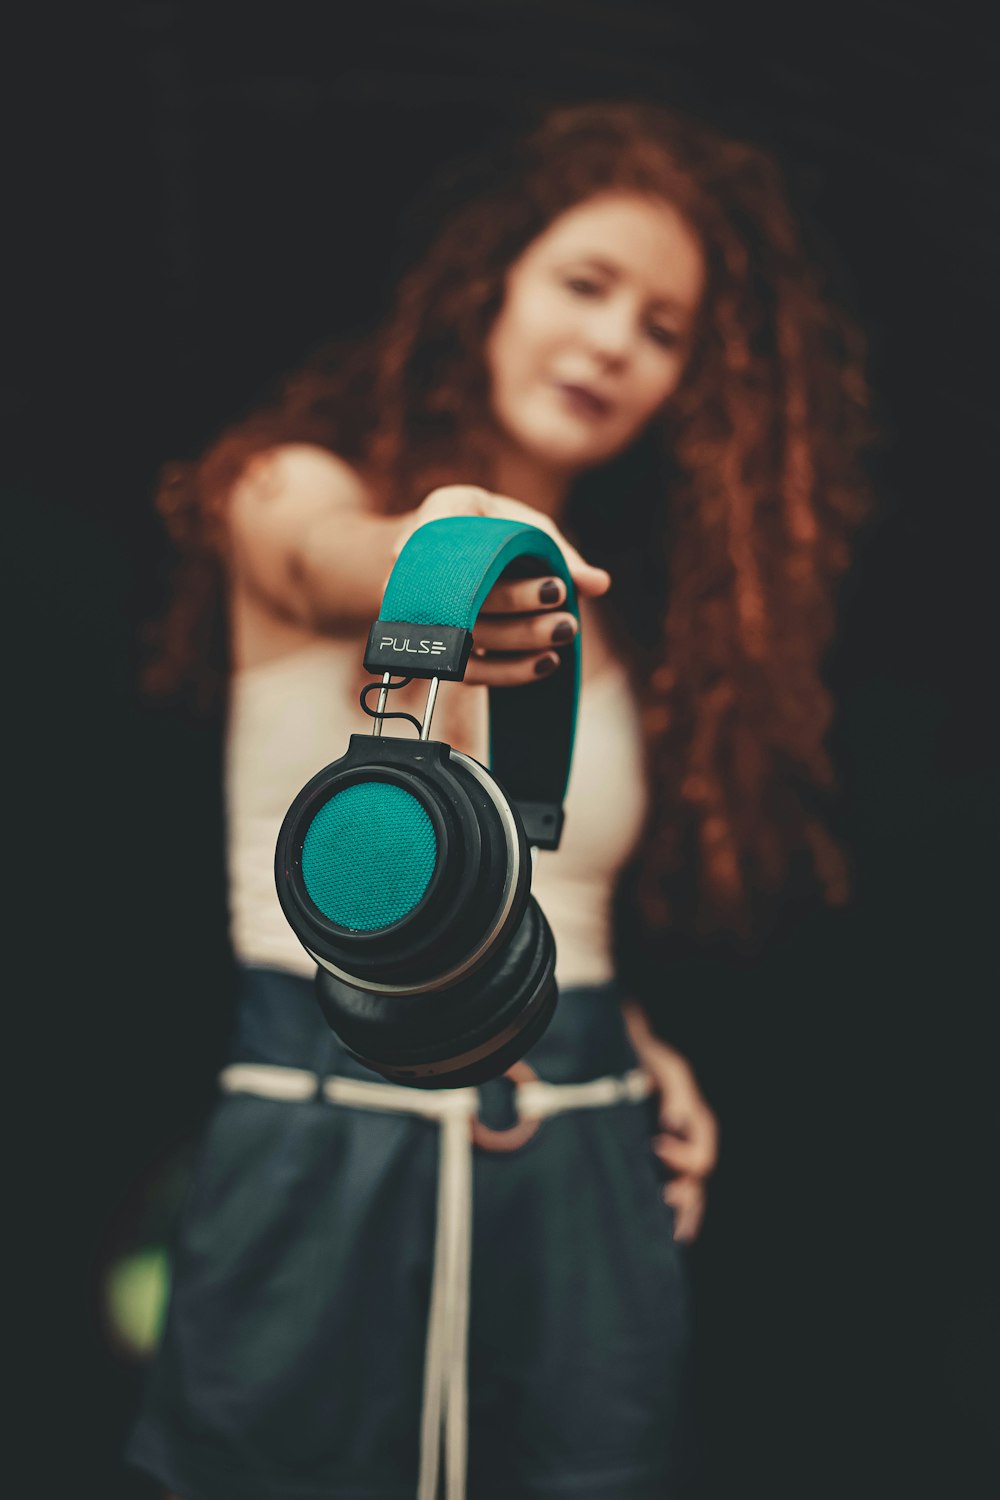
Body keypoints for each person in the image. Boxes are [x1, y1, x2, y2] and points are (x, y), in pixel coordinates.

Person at [126, 101, 870, 1500]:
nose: (610, 343)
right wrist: (439, 564)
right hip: (324, 1141)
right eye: (584, 284)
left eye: (664, 327)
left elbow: (541, 894)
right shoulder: (294, 493)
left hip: (586, 1155)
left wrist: (621, 1036)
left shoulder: (618, 635)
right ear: (493, 286)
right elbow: (334, 560)